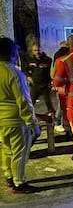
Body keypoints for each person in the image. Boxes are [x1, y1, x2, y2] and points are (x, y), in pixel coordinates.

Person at [0, 37, 41, 193]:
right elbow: (23, 101)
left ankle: (9, 176)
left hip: (1, 121)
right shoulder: (15, 73)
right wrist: (32, 122)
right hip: (16, 120)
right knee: (19, 152)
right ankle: (19, 182)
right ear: (12, 53)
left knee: (6, 149)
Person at [21, 40, 55, 115]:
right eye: (35, 50)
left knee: (48, 102)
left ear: (41, 49)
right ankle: (28, 117)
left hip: (45, 85)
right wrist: (28, 76)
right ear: (32, 51)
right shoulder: (29, 60)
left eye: (38, 50)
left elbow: (51, 72)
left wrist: (52, 82)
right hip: (35, 85)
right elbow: (24, 69)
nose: (37, 52)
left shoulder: (47, 60)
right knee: (31, 102)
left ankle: (53, 118)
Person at [51, 41, 70, 134]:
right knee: (62, 107)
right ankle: (57, 122)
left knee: (62, 106)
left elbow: (53, 73)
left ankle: (60, 124)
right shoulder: (65, 58)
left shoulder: (56, 56)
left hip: (61, 86)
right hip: (65, 86)